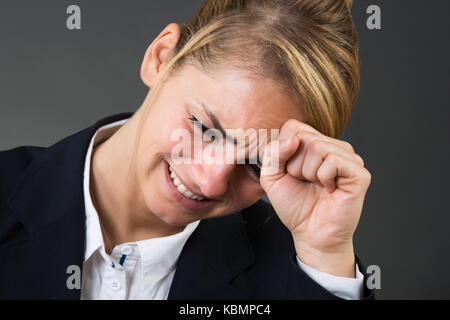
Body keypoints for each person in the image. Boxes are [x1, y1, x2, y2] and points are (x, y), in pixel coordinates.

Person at [0, 0, 374, 299]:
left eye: (256, 164)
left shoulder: (297, 274)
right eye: (204, 128)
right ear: (160, 58)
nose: (211, 182)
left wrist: (326, 258)